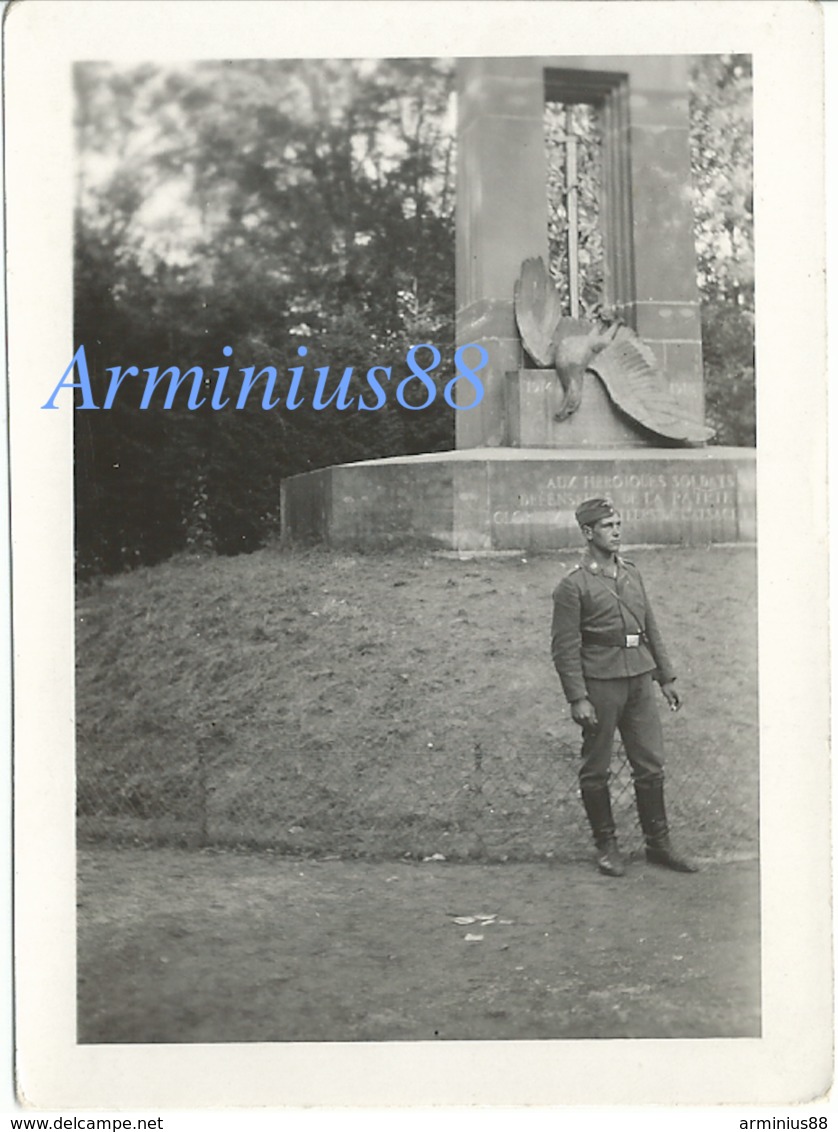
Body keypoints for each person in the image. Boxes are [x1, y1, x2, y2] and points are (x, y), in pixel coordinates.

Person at [551, 497, 697, 877]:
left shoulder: (632, 573)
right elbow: (565, 647)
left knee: (650, 763)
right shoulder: (573, 585)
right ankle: (607, 846)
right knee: (596, 767)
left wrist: (666, 678)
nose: (616, 531)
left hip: (639, 679)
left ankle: (659, 845)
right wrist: (577, 697)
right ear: (587, 533)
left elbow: (650, 627)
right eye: (607, 525)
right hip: (600, 683)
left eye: (618, 524)